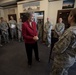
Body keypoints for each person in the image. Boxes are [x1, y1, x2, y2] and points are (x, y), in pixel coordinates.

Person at [51, 8, 76, 75]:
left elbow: (57, 49)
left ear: (71, 17)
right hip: (71, 59)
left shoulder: (70, 32)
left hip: (62, 61)